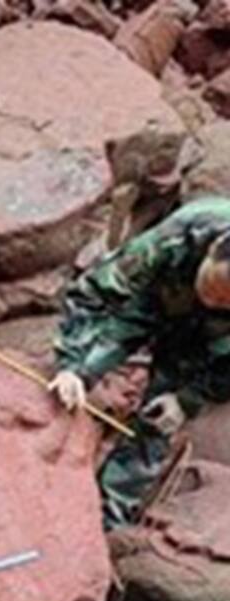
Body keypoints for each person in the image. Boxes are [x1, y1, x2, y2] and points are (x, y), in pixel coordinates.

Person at [50, 197, 230, 530]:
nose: (211, 300)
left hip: (211, 338)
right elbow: (93, 294)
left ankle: (106, 521)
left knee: (158, 422)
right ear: (213, 250)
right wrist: (71, 363)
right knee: (86, 365)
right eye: (212, 288)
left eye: (224, 301)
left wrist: (185, 401)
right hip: (159, 295)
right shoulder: (175, 237)